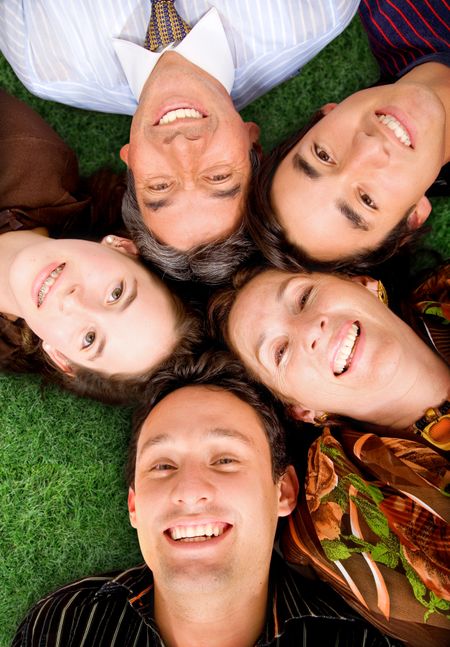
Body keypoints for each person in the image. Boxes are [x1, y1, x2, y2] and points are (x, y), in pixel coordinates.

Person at [12, 352, 397, 646]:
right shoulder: (63, 626)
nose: (189, 490)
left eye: (226, 459)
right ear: (134, 505)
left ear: (283, 491)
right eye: (162, 466)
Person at [0, 0, 360, 281]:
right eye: (218, 177)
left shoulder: (46, 62)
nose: (182, 146)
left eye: (159, 185)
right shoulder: (316, 12)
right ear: (252, 142)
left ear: (130, 159)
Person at [0, 89, 201, 404]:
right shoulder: (26, 154)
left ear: (60, 357)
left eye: (89, 339)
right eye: (116, 293)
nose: (75, 302)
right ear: (121, 246)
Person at [246, 0, 450, 273]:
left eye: (323, 155)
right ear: (412, 217)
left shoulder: (393, 9)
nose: (369, 146)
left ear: (326, 114)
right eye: (367, 200)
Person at [208, 265, 450, 451]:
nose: (310, 330)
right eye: (280, 352)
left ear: (362, 283)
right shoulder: (365, 503)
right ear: (302, 410)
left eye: (304, 297)